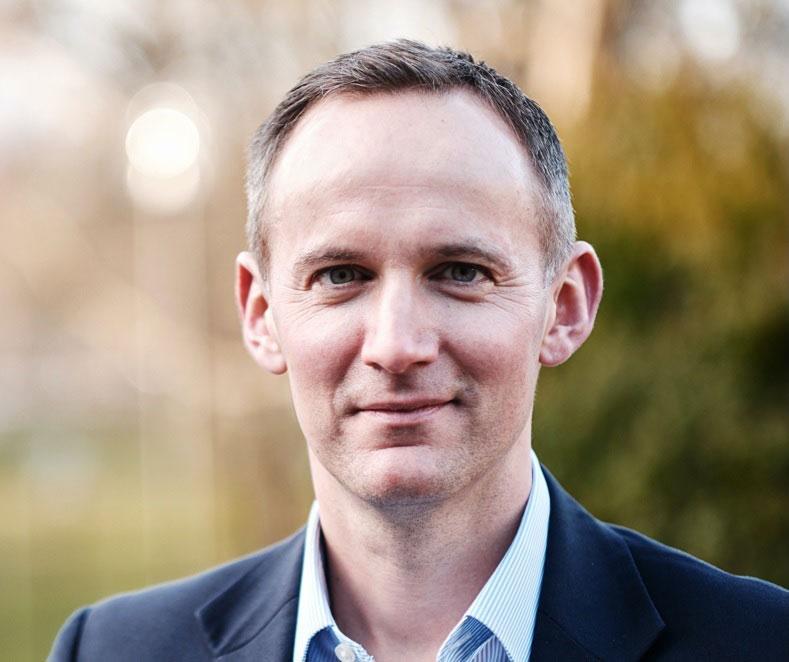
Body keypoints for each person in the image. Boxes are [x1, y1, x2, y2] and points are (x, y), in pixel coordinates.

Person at [50, 39, 787, 662]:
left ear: (564, 306)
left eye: (459, 272)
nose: (396, 346)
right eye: (341, 275)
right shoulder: (112, 651)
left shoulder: (758, 643)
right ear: (261, 313)